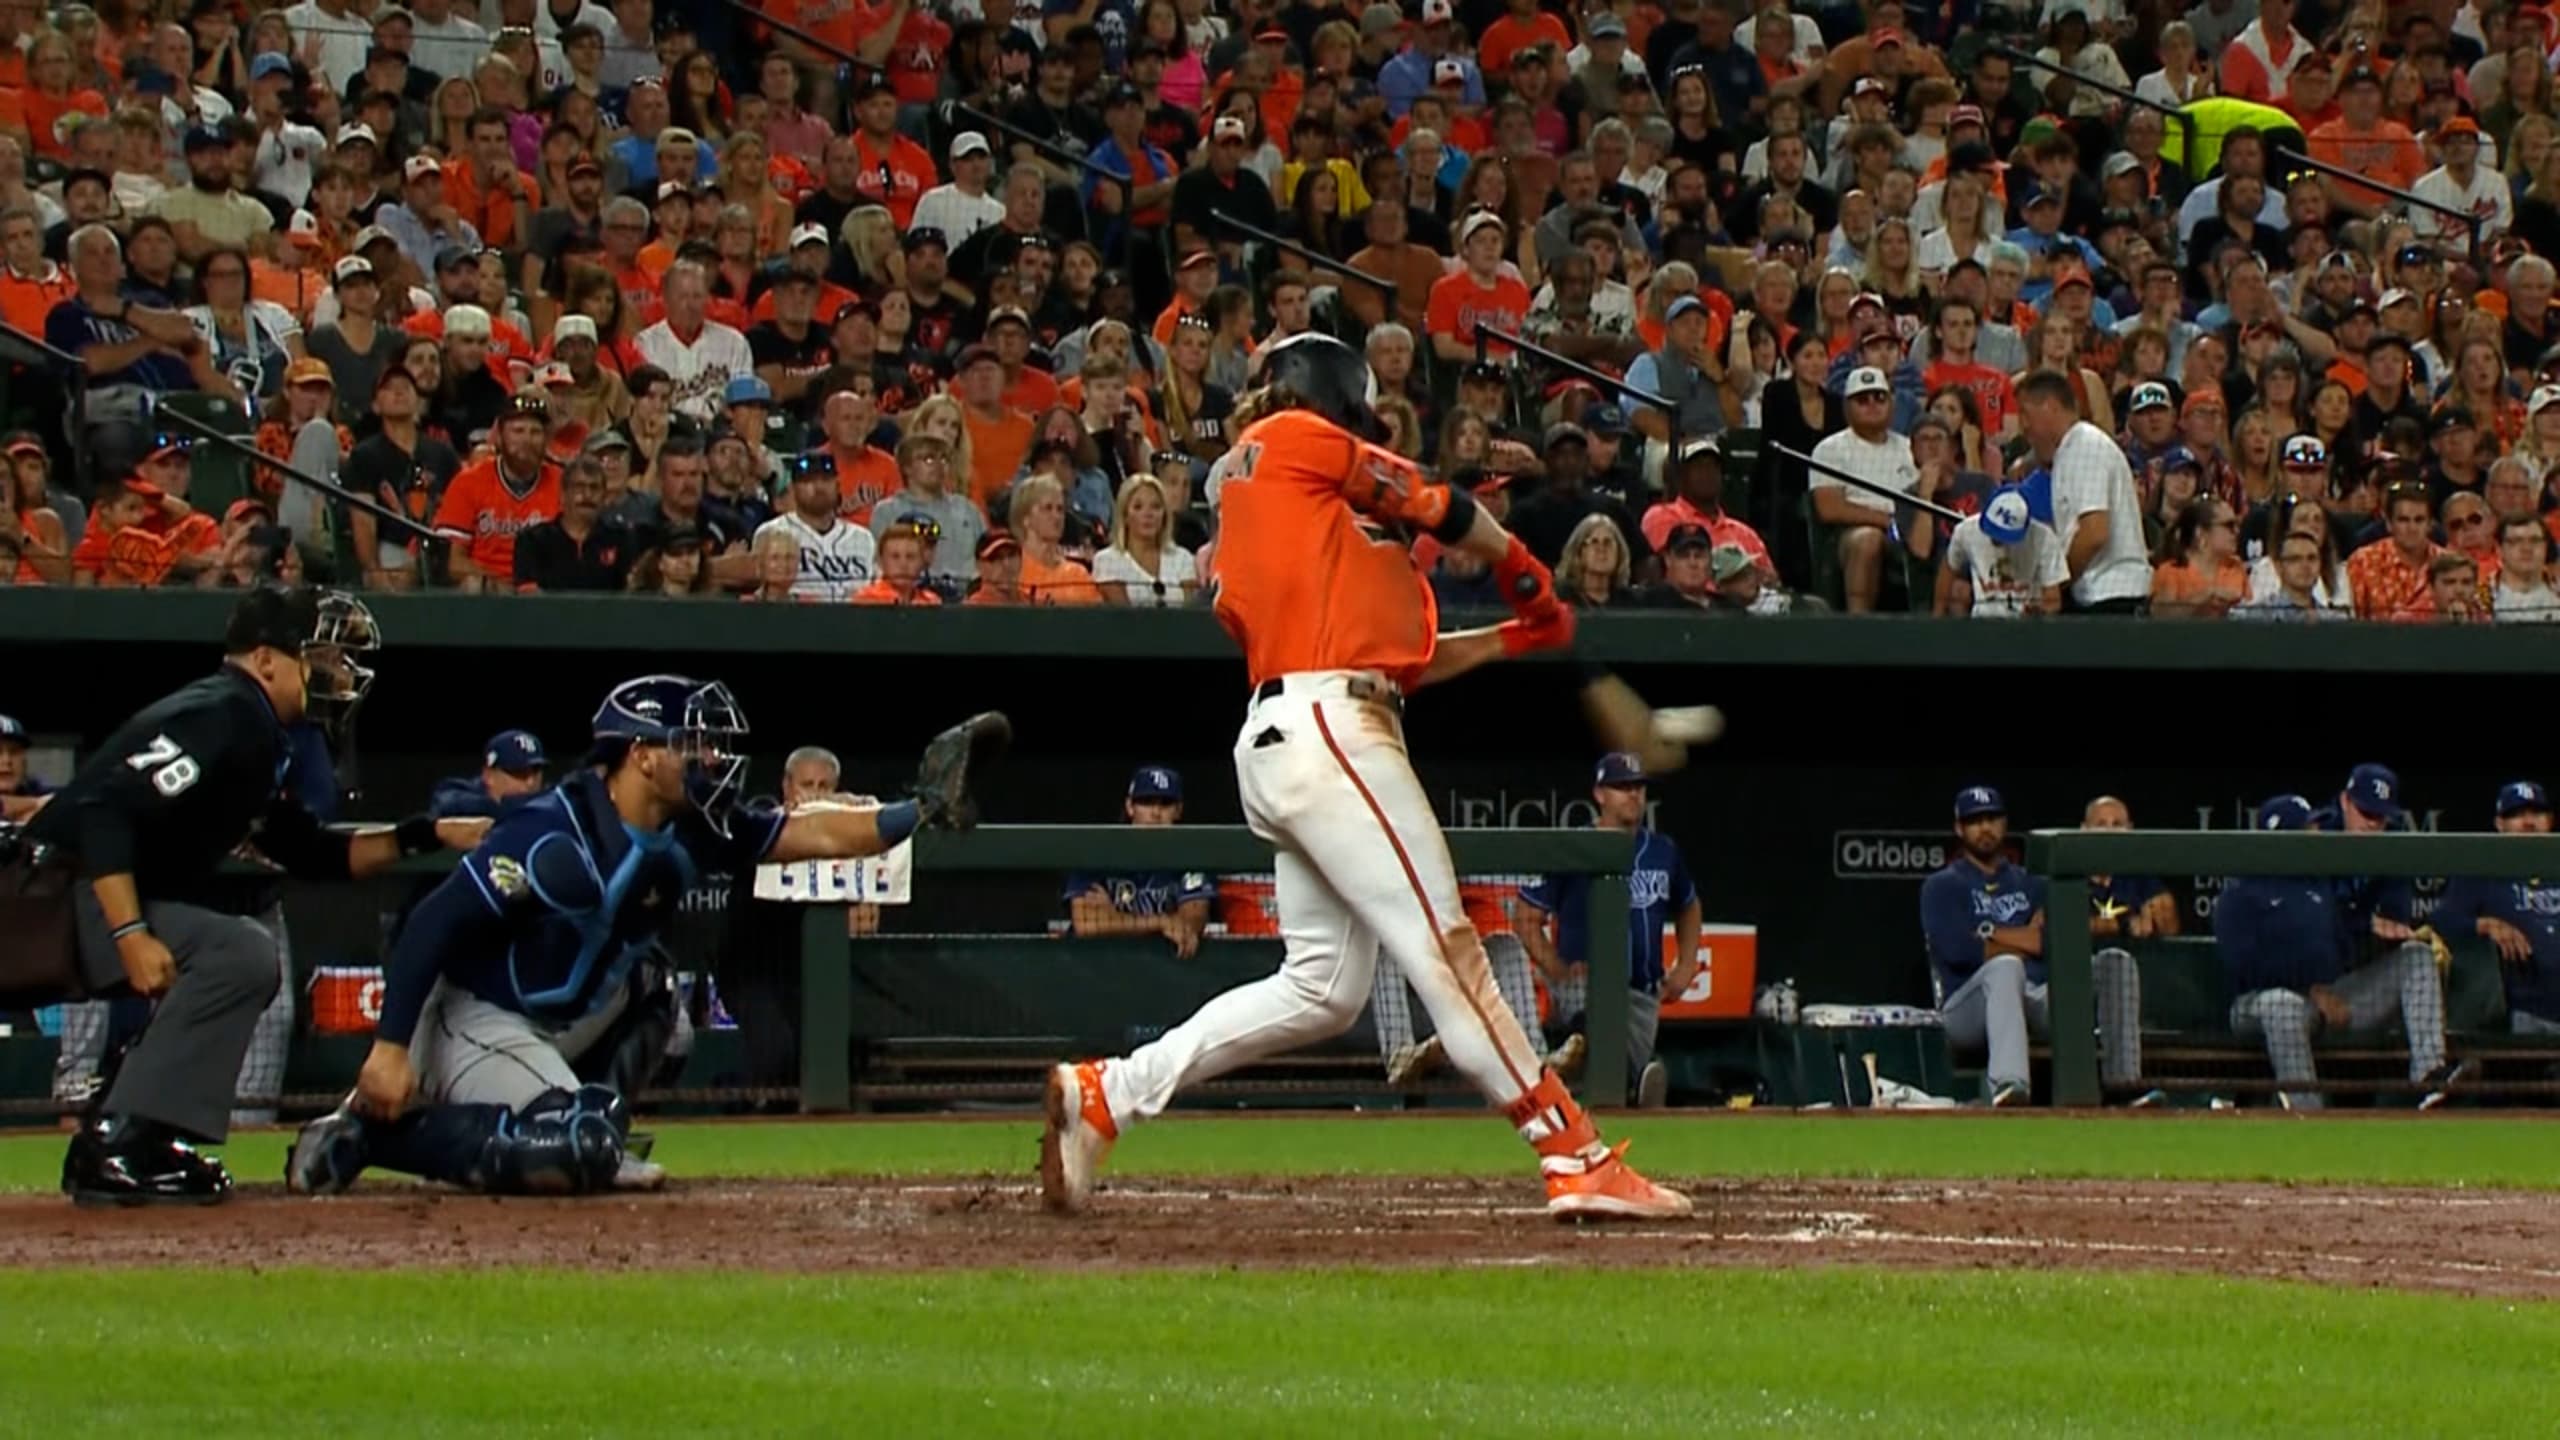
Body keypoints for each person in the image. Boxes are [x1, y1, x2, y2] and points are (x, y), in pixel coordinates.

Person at [1040, 332, 1688, 1220]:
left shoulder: (1309, 529)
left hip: (1300, 733)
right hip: (1329, 727)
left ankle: (1111, 1091)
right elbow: (1436, 502)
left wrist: (1516, 635)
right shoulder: (1293, 436)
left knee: (1318, 988)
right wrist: (1515, 561)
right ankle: (1572, 1153)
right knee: (1447, 949)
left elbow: (1401, 660)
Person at [283, 683, 1011, 1197]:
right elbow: (433, 924)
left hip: (556, 1020)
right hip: (477, 1018)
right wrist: (388, 1050)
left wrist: (917, 809)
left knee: (652, 985)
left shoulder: (692, 825)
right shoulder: (554, 833)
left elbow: (816, 828)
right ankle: (379, 1135)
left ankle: (581, 1122)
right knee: (577, 1153)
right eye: (691, 746)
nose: (711, 761)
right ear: (639, 755)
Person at [5, 587, 479, 1205]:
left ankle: (130, 1136)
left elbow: (311, 851)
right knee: (239, 954)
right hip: (38, 897)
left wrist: (424, 835)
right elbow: (104, 812)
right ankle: (122, 1142)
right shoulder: (223, 712)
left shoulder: (256, 729)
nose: (337, 672)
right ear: (265, 660)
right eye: (321, 655)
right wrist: (131, 935)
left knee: (237, 953)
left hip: (59, 896)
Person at [2215, 786, 2468, 1110]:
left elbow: (2341, 945)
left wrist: (2372, 930)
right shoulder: (2241, 893)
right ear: (2282, 837)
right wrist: (2309, 989)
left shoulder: (2319, 884)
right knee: (2282, 1003)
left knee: (2416, 957)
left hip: (2330, 1004)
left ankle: (2431, 1077)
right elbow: (2242, 965)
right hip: (2257, 1007)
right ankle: (2308, 1111)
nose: (2319, 833)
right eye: (2309, 829)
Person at [1918, 785, 2143, 1106]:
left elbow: (2054, 942)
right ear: (1959, 828)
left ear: (2005, 824)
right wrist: (2024, 938)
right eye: (1974, 820)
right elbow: (1959, 952)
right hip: (1967, 1007)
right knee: (2006, 968)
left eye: (1992, 818)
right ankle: (2010, 1087)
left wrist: (1990, 932)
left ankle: (2124, 1086)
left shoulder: (2033, 883)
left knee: (2114, 961)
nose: (1984, 827)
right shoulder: (1942, 886)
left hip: (2039, 997)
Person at [1514, 753, 1699, 1110]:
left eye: (1639, 788)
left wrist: (1685, 966)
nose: (1633, 795)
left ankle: (1629, 1079)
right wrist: (1556, 967)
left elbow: (1689, 906)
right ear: (1600, 794)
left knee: (1617, 1063)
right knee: (1598, 1038)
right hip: (1584, 988)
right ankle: (1635, 1082)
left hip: (1642, 995)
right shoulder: (1574, 847)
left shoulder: (1663, 851)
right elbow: (1525, 917)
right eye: (1622, 787)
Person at [2017, 368, 2150, 613]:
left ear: (2050, 407)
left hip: (2110, 598)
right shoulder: (2070, 451)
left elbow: (2094, 532)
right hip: (2106, 597)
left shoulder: (2084, 446)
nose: (2023, 426)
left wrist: (2057, 583)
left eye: (2025, 414)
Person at [2435, 781, 2560, 1037]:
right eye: (2516, 815)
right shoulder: (2484, 870)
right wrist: (2485, 924)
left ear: (2550, 821)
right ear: (2499, 824)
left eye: (2536, 813)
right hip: (2522, 1013)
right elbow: (2441, 919)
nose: (2528, 822)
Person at [1061, 766, 1214, 958]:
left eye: (1165, 804)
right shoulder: (1098, 853)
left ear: (1178, 810)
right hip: (1092, 965)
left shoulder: (1191, 858)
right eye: (1147, 802)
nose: (1156, 813)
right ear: (1130, 807)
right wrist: (1162, 922)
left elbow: (1192, 921)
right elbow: (1088, 924)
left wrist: (1114, 919)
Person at [426, 730, 547, 819]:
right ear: (489, 776)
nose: (531, 782)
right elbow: (446, 803)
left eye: (536, 771)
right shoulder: (458, 794)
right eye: (519, 773)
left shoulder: (548, 797)